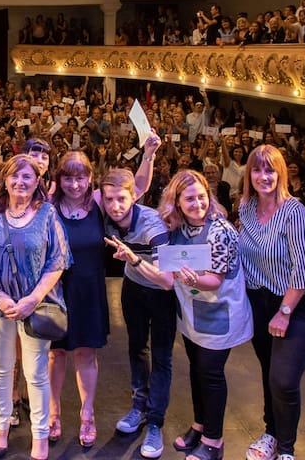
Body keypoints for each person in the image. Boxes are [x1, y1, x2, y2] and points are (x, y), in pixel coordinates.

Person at [0, 153, 71, 460]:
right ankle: (0, 425)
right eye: (14, 176)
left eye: (27, 176)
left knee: (35, 371)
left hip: (34, 306)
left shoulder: (48, 214)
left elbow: (59, 260)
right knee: (0, 368)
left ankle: (39, 433)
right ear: (5, 181)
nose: (20, 181)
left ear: (38, 181)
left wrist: (33, 298)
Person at [160, 170, 253, 460]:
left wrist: (189, 280)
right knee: (197, 370)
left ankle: (214, 441)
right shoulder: (178, 228)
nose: (197, 203)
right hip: (192, 314)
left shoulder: (221, 231)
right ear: (176, 202)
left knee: (211, 374)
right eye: (189, 198)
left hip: (218, 315)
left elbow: (215, 280)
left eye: (201, 197)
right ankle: (200, 425)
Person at [239, 145, 305, 460]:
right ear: (249, 174)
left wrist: (285, 311)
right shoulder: (246, 207)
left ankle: (287, 450)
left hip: (294, 305)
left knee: (283, 379)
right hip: (259, 302)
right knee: (268, 372)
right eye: (258, 170)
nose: (264, 177)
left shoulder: (294, 212)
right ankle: (271, 434)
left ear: (281, 173)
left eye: (271, 170)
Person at [102, 168, 176, 459]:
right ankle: (139, 407)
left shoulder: (153, 226)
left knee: (162, 357)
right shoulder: (108, 217)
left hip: (161, 294)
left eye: (121, 198)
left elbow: (167, 280)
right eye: (109, 199)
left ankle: (155, 422)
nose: (115, 206)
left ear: (135, 196)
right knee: (136, 349)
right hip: (133, 290)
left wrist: (133, 259)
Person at [48, 151, 108, 448]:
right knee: (55, 354)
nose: (74, 184)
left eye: (81, 177)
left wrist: (148, 154)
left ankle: (87, 414)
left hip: (90, 290)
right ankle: (54, 412)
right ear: (58, 179)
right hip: (57, 291)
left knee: (86, 353)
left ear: (90, 178)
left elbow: (134, 189)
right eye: (68, 178)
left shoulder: (99, 202)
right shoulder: (48, 206)